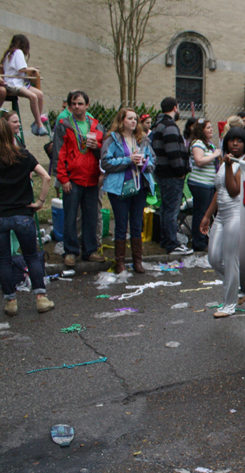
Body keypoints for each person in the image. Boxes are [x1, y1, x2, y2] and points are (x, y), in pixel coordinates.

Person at [0, 118, 54, 315]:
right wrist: (40, 202)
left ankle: (10, 301)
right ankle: (41, 297)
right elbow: (46, 177)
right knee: (31, 256)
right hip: (23, 213)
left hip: (1, 215)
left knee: (3, 259)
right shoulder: (23, 155)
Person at [200, 127, 245, 318]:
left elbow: (233, 191)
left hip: (236, 216)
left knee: (231, 260)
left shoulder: (244, 162)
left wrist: (229, 166)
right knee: (213, 257)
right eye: (232, 140)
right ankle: (238, 288)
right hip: (221, 216)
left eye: (239, 140)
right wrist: (207, 216)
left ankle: (229, 305)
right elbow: (219, 191)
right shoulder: (225, 161)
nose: (235, 143)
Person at [100, 108, 156, 273]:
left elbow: (153, 163)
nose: (133, 121)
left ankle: (138, 261)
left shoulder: (143, 140)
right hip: (119, 188)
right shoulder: (112, 139)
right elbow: (105, 163)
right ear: (121, 120)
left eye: (135, 119)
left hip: (140, 186)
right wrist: (128, 160)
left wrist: (143, 163)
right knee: (121, 224)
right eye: (130, 118)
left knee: (137, 224)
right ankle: (120, 262)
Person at [54, 91, 106, 267]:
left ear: (87, 105)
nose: (77, 106)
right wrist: (63, 178)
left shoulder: (97, 127)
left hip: (92, 179)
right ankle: (70, 252)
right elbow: (58, 153)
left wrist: (96, 147)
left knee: (91, 216)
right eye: (74, 103)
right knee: (70, 216)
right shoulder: (64, 125)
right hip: (72, 179)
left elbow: (105, 154)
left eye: (80, 103)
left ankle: (89, 251)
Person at [151, 97, 193, 255]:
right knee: (171, 210)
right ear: (175, 108)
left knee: (165, 208)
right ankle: (172, 244)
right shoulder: (169, 126)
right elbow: (173, 152)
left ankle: (165, 240)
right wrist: (180, 172)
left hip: (162, 173)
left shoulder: (158, 125)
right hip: (171, 175)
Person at [1, 35, 47, 136]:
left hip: (20, 82)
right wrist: (33, 69)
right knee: (33, 96)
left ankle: (37, 120)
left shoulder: (9, 53)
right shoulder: (18, 52)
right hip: (13, 84)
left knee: (40, 94)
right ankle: (39, 125)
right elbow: (21, 69)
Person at [188, 119, 221, 252]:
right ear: (201, 130)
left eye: (211, 127)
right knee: (200, 213)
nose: (211, 129)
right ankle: (198, 242)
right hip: (199, 183)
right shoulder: (197, 143)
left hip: (209, 183)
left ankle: (205, 237)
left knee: (207, 212)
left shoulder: (209, 144)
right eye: (208, 128)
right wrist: (215, 155)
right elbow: (199, 161)